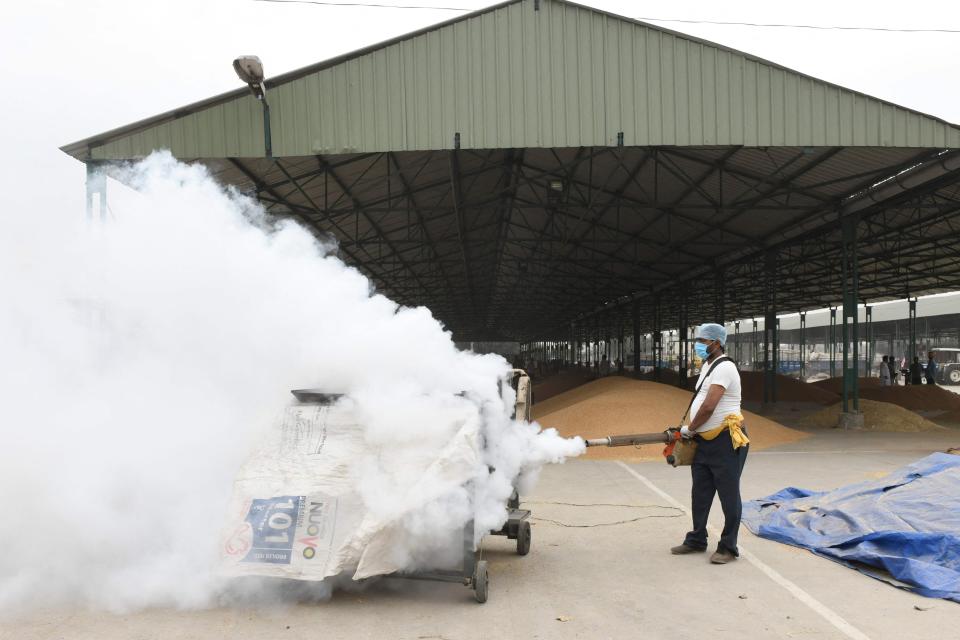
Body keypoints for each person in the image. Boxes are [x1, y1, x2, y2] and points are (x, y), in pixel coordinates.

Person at [671, 323, 749, 565]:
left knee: (728, 495)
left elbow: (708, 406)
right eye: (699, 341)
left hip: (726, 441)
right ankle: (696, 539)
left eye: (703, 342)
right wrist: (693, 433)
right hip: (704, 441)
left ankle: (728, 547)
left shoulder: (725, 367)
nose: (699, 346)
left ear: (717, 342)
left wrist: (689, 429)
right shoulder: (708, 366)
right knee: (701, 493)